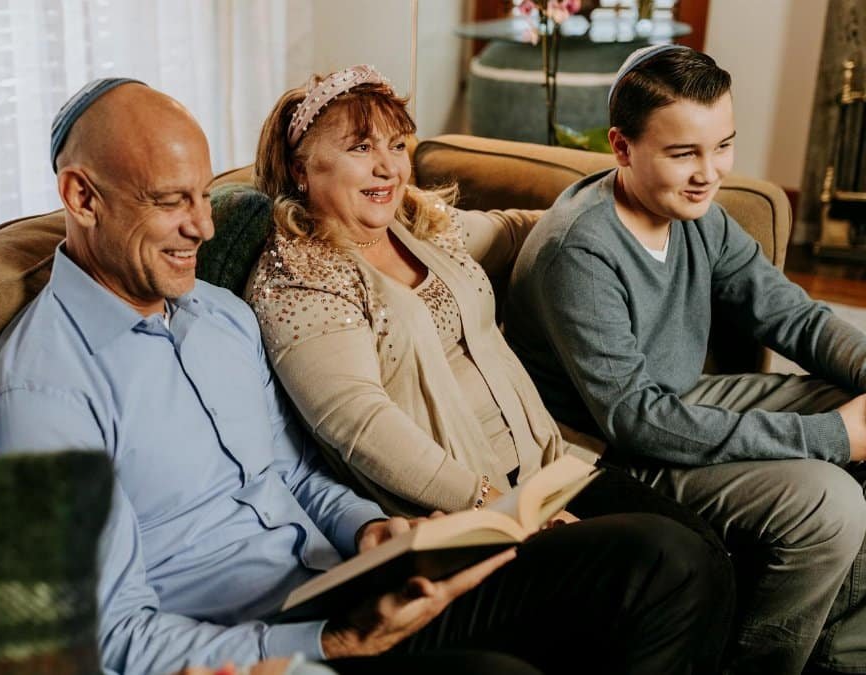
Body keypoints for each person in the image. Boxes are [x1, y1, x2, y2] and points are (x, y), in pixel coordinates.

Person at [0, 77, 718, 675]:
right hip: (264, 648)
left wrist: (372, 527)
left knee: (665, 557)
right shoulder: (37, 398)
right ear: (81, 197)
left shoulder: (218, 317)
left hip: (349, 585)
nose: (205, 225)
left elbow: (295, 475)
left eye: (203, 194)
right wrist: (329, 644)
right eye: (171, 202)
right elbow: (114, 639)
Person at [246, 63, 734, 672]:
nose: (388, 167)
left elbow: (509, 230)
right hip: (466, 517)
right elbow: (360, 423)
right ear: (299, 167)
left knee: (709, 551)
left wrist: (608, 211)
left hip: (551, 469)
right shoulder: (302, 278)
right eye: (359, 149)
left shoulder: (413, 228)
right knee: (670, 560)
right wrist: (490, 504)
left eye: (397, 146)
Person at [503, 45, 866, 675]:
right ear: (622, 147)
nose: (710, 172)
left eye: (721, 145)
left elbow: (795, 318)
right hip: (601, 454)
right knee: (827, 501)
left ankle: (838, 659)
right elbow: (635, 420)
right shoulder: (579, 252)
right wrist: (833, 436)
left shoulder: (700, 216)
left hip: (680, 404)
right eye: (683, 154)